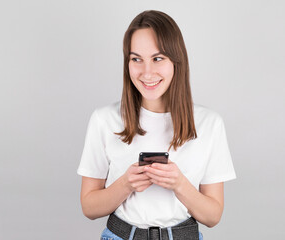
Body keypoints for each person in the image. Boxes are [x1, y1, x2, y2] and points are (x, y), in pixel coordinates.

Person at [77, 10, 236, 240]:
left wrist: (179, 184)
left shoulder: (209, 124)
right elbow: (89, 207)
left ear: (175, 61)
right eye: (136, 59)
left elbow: (213, 216)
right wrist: (126, 184)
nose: (147, 72)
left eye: (158, 58)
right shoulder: (104, 119)